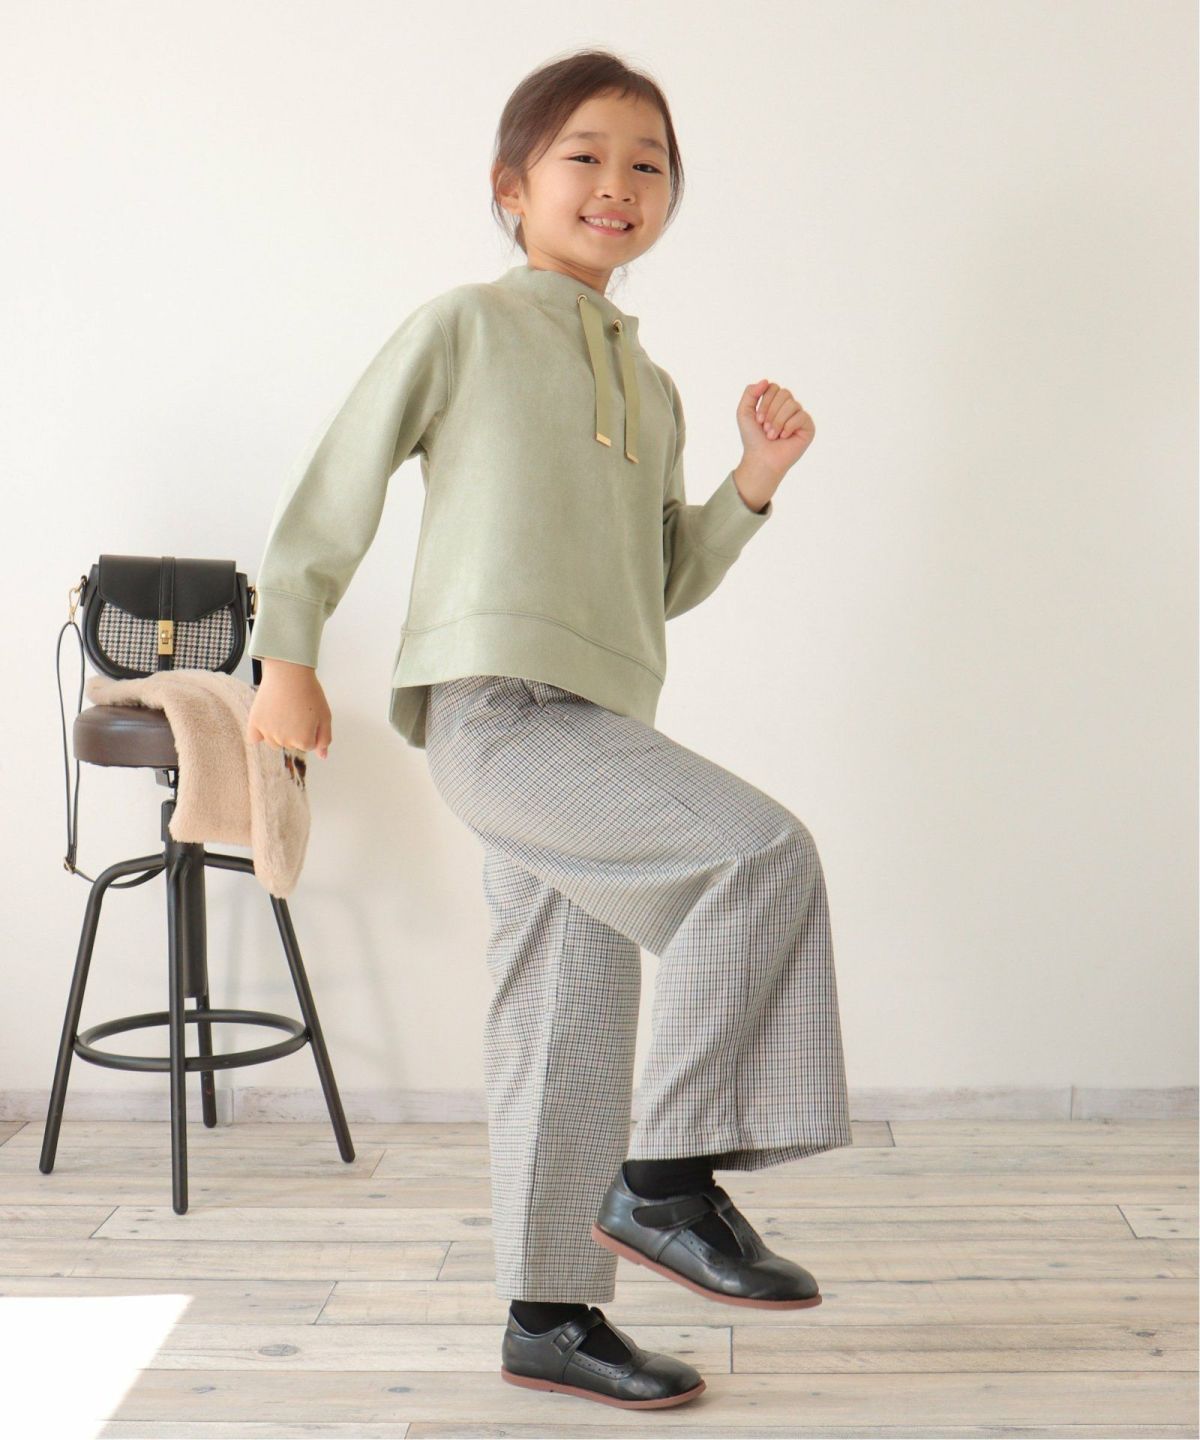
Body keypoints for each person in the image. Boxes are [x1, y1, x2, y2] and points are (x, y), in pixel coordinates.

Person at [245, 47, 852, 1414]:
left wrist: (751, 487)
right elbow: (337, 483)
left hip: (594, 722)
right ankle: (667, 1181)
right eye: (585, 155)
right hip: (499, 711)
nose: (618, 183)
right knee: (759, 855)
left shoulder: (657, 390)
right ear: (513, 187)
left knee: (567, 1018)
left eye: (649, 165)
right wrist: (288, 656)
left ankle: (549, 1318)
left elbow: (661, 583)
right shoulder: (463, 325)